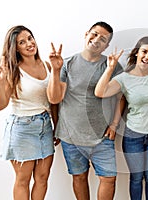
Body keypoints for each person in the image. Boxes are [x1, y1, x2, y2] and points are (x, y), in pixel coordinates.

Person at [47, 21, 124, 200]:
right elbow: (55, 99)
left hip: (102, 137)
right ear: (86, 34)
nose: (96, 40)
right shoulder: (67, 64)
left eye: (103, 39)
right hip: (71, 136)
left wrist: (114, 124)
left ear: (107, 45)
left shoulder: (112, 66)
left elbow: (121, 97)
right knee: (79, 177)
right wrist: (55, 71)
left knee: (109, 179)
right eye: (94, 34)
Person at [95, 36, 148, 200]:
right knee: (136, 178)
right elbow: (100, 92)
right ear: (136, 53)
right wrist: (110, 68)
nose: (147, 57)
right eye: (144, 52)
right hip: (133, 136)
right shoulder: (124, 78)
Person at [0, 25, 58, 200]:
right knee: (23, 179)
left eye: (30, 38)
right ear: (16, 48)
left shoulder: (46, 65)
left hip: (45, 125)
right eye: (22, 42)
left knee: (42, 178)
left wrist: (56, 126)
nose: (29, 43)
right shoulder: (13, 70)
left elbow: (53, 101)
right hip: (22, 127)